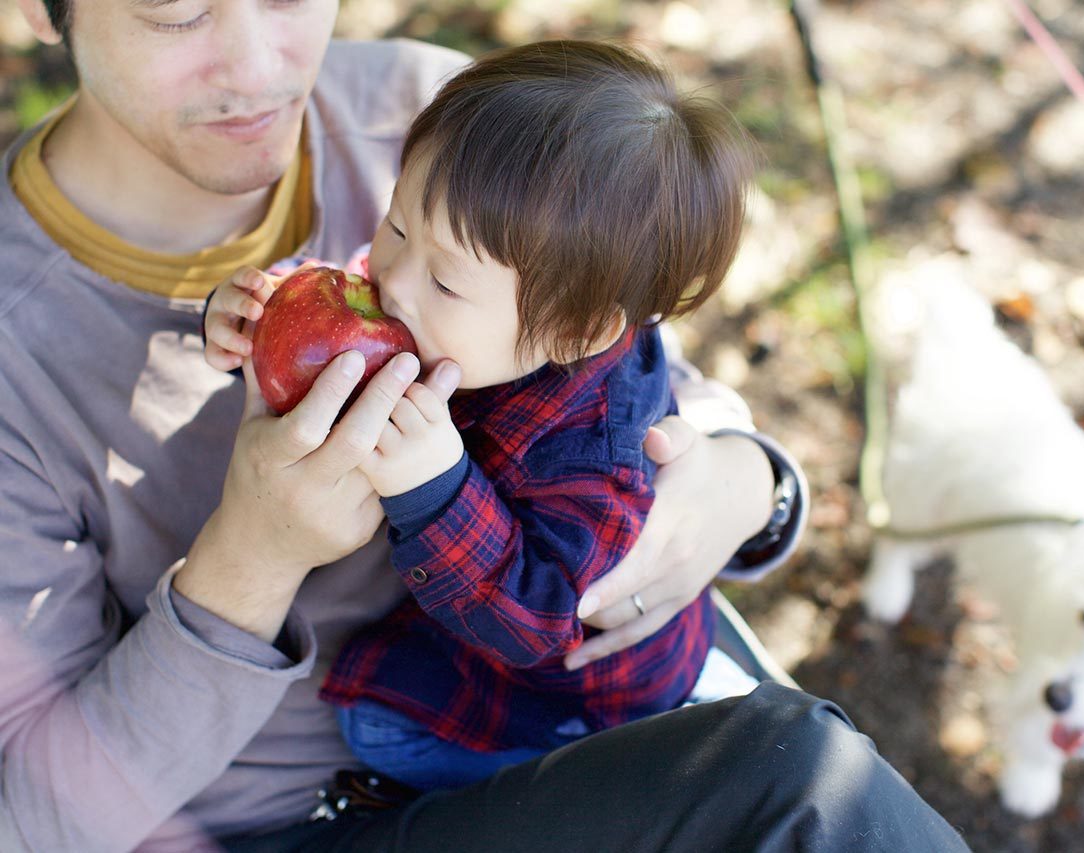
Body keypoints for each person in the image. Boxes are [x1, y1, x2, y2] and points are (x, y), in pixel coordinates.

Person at [0, 1, 968, 850]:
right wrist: (250, 561)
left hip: (549, 715)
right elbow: (31, 823)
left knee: (813, 781)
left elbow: (627, 366)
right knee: (797, 784)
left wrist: (744, 477)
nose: (258, 67)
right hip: (281, 819)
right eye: (173, 9)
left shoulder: (436, 113)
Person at [205, 40, 763, 792]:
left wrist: (436, 488)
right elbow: (365, 291)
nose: (392, 282)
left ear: (573, 331)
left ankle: (640, 769)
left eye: (445, 279)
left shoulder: (597, 459)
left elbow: (534, 622)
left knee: (378, 728)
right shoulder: (493, 308)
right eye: (398, 225)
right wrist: (265, 310)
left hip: (564, 706)